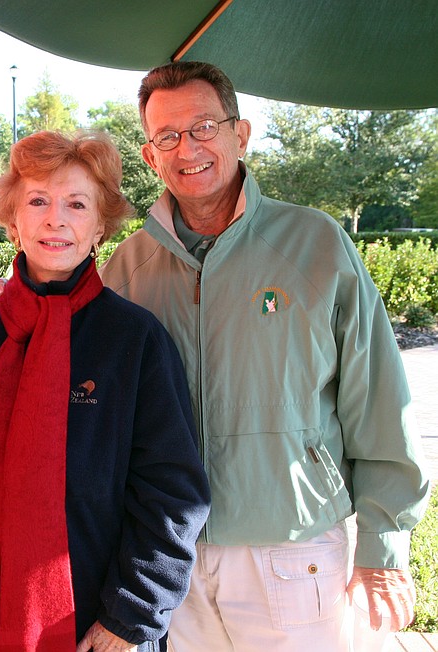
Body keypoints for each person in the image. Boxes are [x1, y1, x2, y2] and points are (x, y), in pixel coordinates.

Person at [96, 61, 430, 651]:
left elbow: (378, 397)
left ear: (240, 133)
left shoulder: (317, 244)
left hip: (295, 549)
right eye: (167, 137)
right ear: (150, 156)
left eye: (203, 127)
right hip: (174, 558)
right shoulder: (127, 268)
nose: (187, 149)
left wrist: (382, 544)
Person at [0, 130, 211, 652]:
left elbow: (171, 491)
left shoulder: (134, 340)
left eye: (76, 204)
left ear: (101, 225)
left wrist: (128, 617)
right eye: (38, 200)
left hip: (102, 623)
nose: (55, 219)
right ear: (13, 220)